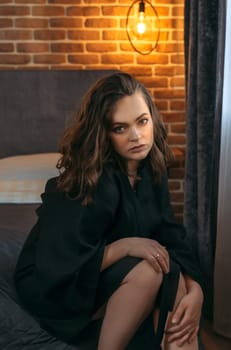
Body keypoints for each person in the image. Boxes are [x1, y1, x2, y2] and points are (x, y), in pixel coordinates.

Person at [14, 72, 204, 350]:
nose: (136, 136)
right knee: (152, 270)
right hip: (53, 282)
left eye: (142, 121)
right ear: (104, 133)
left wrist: (196, 289)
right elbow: (59, 261)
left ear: (152, 118)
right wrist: (126, 246)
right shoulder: (88, 180)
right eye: (120, 128)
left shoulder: (151, 168)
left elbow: (169, 233)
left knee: (173, 278)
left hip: (105, 272)